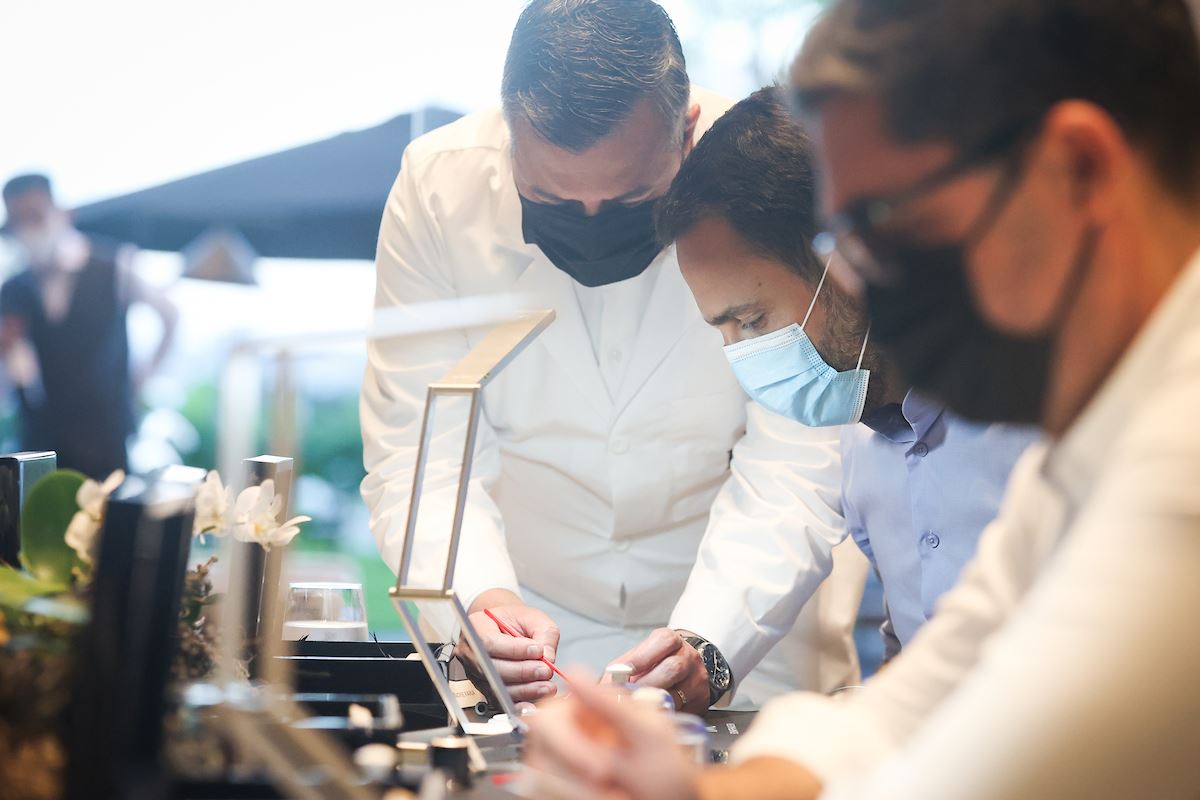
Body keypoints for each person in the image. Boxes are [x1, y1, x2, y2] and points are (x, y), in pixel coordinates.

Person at [523, 1, 1200, 797]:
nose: (856, 283)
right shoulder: (1087, 428)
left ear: (1077, 169)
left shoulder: (1177, 450)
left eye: (882, 227)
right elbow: (926, 694)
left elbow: (992, 766)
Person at [361, 0, 867, 712]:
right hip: (530, 626)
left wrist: (710, 644)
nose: (592, 226)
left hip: (758, 626)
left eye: (632, 197)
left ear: (685, 131)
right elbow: (420, 455)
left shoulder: (758, 171)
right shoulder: (438, 190)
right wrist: (479, 601)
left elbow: (800, 451)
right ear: (510, 137)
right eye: (551, 200)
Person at [647, 86, 1039, 663]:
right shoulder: (863, 440)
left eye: (754, 322)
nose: (744, 357)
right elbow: (914, 659)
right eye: (722, 332)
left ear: (847, 260)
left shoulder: (1034, 422)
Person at [0, 174, 179, 479]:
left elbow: (170, 316)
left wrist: (143, 378)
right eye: (19, 221)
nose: (29, 229)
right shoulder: (14, 287)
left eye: (36, 216)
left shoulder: (114, 266)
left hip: (104, 436)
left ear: (62, 213)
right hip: (41, 441)